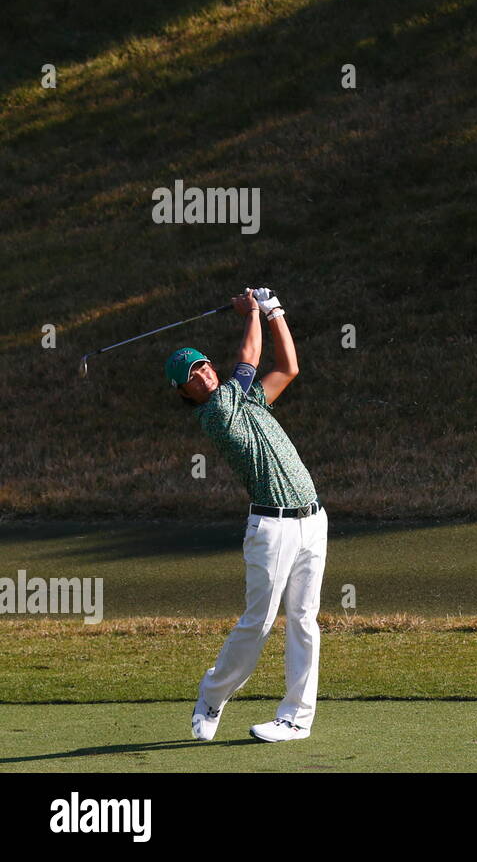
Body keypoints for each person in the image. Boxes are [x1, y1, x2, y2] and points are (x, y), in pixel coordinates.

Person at [164, 287, 327, 743]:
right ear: (184, 392)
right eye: (191, 376)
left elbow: (288, 368)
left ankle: (296, 718)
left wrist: (276, 314)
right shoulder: (216, 412)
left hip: (313, 520)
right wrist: (253, 311)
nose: (201, 375)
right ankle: (212, 695)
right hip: (271, 527)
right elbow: (250, 356)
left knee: (303, 620)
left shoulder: (249, 402)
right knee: (257, 623)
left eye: (201, 366)